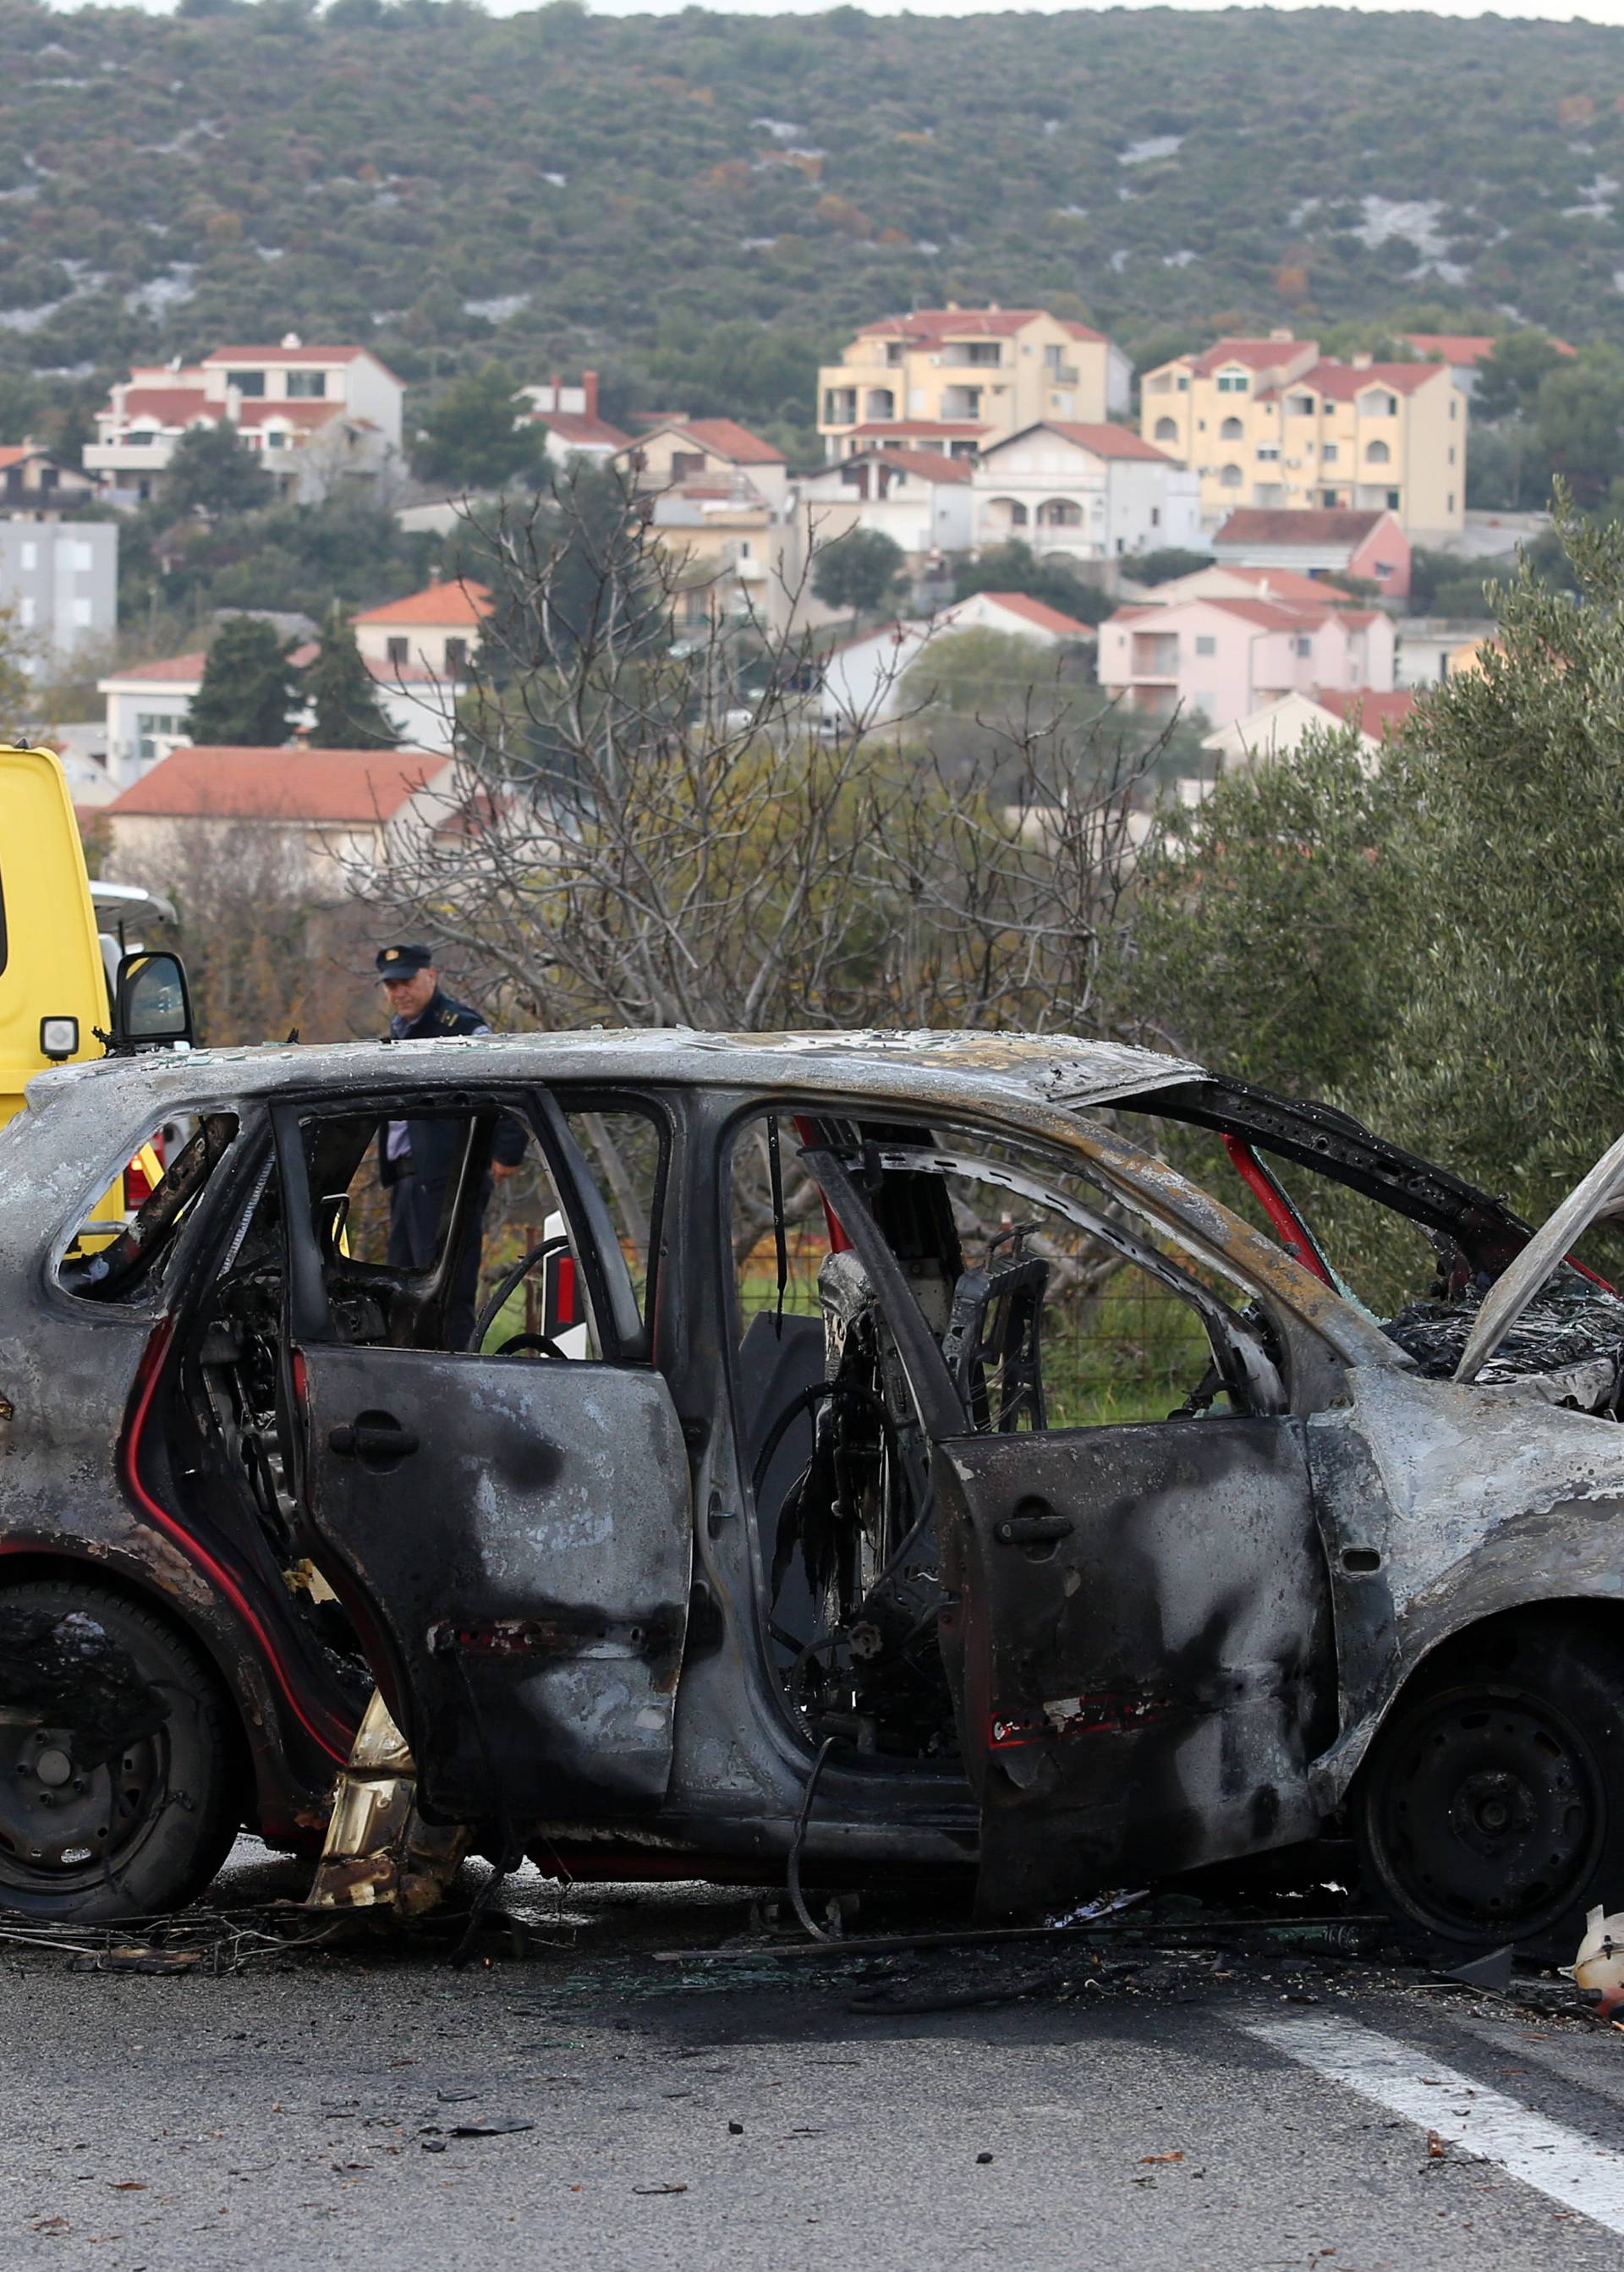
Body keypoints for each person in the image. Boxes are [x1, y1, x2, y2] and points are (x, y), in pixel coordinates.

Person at [374, 943, 525, 1349]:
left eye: (406, 981)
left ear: (432, 976)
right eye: (391, 985)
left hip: (448, 1181)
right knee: (401, 1287)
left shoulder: (459, 1026)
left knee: (447, 1290)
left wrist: (506, 1152)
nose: (399, 992)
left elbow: (508, 1083)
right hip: (406, 1181)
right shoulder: (399, 1029)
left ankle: (458, 1375)